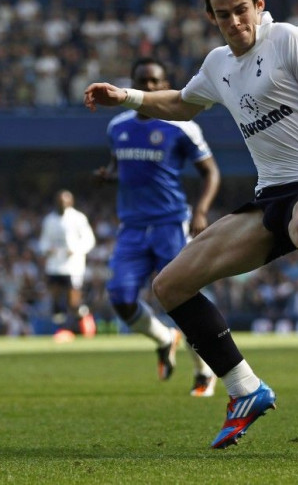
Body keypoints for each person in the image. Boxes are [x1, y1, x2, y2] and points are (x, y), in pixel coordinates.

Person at [83, 0, 298, 449]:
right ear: (211, 18)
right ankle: (244, 389)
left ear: (258, 4)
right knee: (169, 285)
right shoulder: (218, 64)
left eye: (241, 9)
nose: (235, 21)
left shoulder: (290, 41)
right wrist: (125, 97)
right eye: (223, 15)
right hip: (269, 197)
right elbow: (182, 103)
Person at [93, 56, 221, 396]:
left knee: (185, 299)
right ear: (131, 85)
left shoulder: (182, 126)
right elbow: (121, 166)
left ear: (165, 85)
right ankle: (165, 339)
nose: (149, 87)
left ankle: (203, 371)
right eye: (142, 81)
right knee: (120, 297)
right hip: (132, 227)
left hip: (170, 224)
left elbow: (211, 172)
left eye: (155, 81)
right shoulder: (117, 126)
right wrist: (110, 176)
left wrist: (201, 212)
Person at [39, 189, 97, 339]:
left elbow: (89, 240)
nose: (62, 205)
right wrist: (47, 249)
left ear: (70, 202)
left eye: (64, 202)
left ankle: (84, 322)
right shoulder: (49, 220)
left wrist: (76, 249)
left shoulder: (78, 218)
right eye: (59, 202)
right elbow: (43, 242)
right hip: (54, 266)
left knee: (73, 301)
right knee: (57, 302)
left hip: (73, 266)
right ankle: (62, 330)